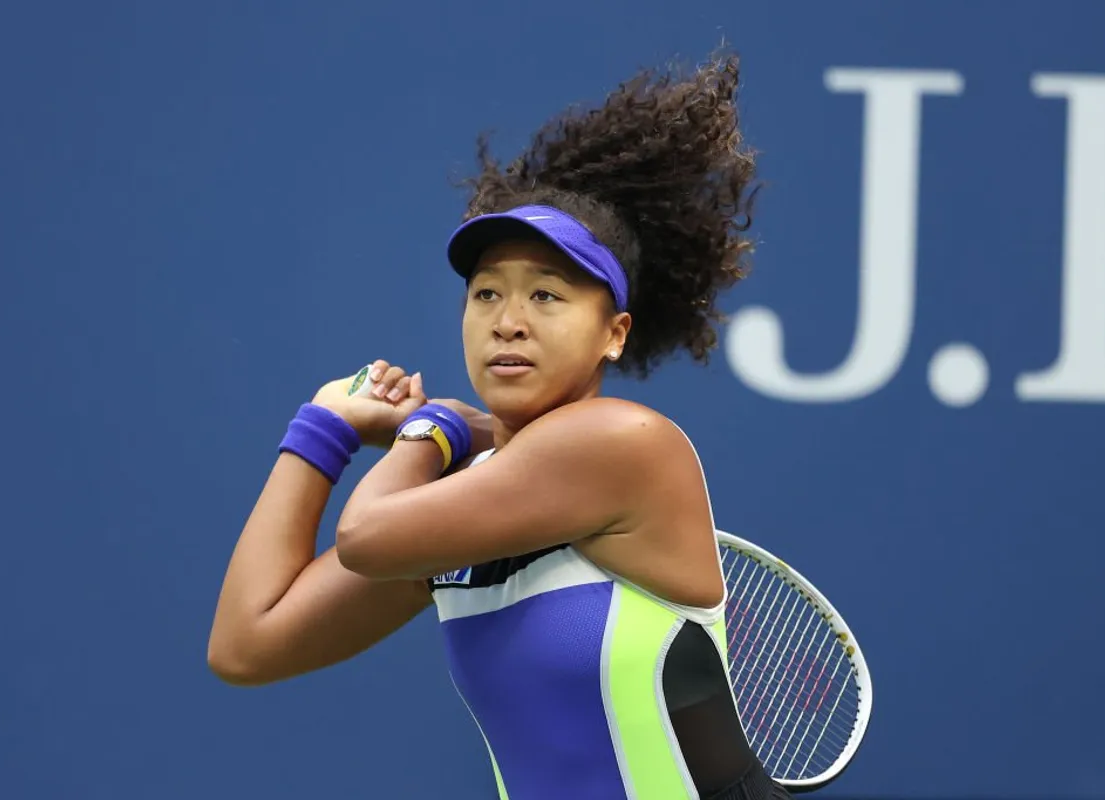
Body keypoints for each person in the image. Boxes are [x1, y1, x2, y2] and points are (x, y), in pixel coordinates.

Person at [208, 51, 787, 799]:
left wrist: (437, 426)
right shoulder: (467, 507)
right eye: (486, 295)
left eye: (546, 296)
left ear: (614, 333)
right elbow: (248, 644)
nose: (507, 322)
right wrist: (322, 428)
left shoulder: (620, 443)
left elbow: (366, 537)